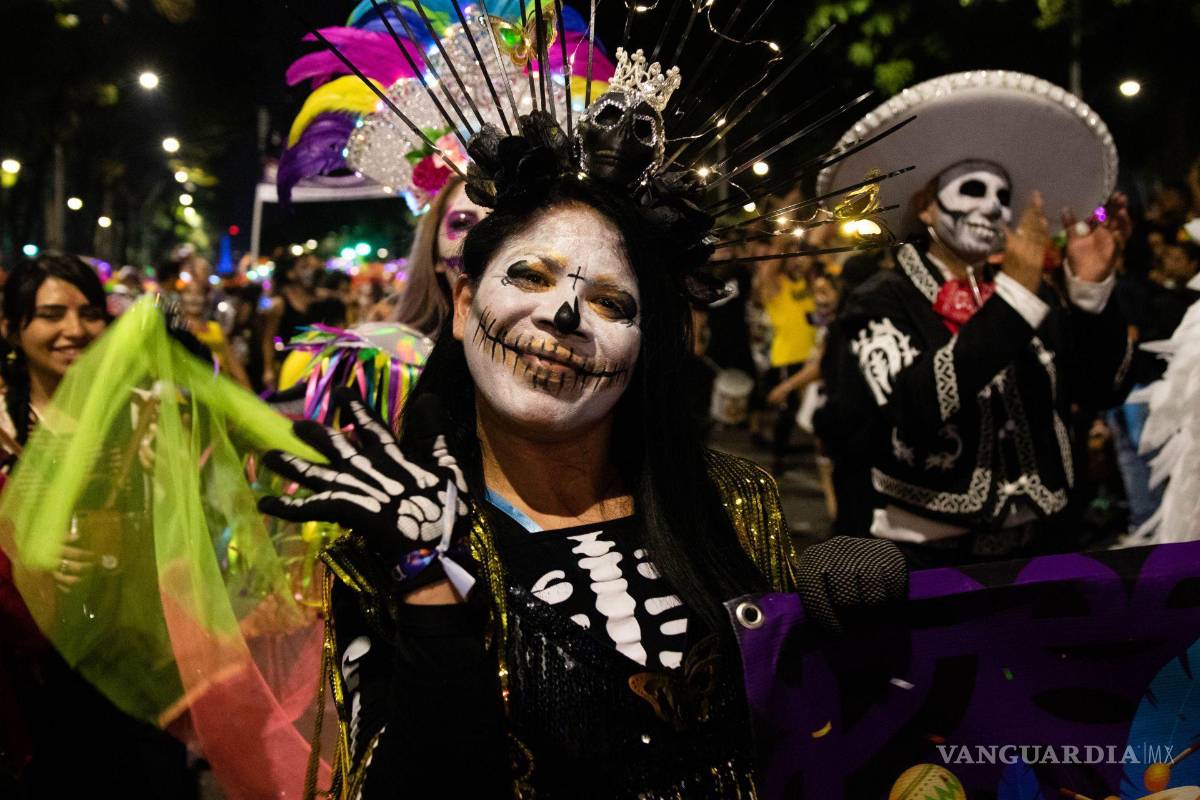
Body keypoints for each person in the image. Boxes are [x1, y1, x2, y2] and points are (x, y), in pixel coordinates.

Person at [258, 40, 909, 796]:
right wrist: (430, 591)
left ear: (647, 345)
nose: (563, 315)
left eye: (611, 302)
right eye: (528, 276)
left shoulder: (733, 504)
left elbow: (809, 740)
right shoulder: (393, 544)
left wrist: (847, 615)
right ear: (466, 308)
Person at [816, 70, 1132, 566]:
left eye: (1003, 197)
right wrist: (1015, 301)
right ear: (925, 208)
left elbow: (1098, 390)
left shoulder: (1033, 296)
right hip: (924, 562)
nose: (992, 208)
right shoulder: (880, 299)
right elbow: (915, 408)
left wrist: (1091, 293)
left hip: (1040, 552)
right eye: (973, 190)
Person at [0, 253, 195, 798]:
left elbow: (189, 537)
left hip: (136, 660)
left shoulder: (145, 415)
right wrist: (31, 566)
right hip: (33, 673)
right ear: (11, 328)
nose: (73, 330)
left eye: (88, 313)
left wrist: (174, 487)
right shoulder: (4, 426)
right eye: (51, 314)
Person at [389, 175, 486, 336]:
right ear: (435, 253)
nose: (484, 237)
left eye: (503, 222)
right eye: (462, 223)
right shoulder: (382, 357)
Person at [260, 252, 319, 389]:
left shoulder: (315, 299)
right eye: (303, 267)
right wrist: (268, 369)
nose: (309, 271)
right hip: (288, 365)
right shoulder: (279, 303)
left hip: (313, 365)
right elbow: (268, 339)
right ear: (290, 273)